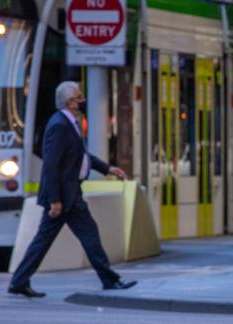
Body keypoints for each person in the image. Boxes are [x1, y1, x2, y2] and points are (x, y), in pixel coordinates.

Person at [8, 81, 137, 297]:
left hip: (69, 193)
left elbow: (80, 157)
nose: (83, 100)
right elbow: (51, 166)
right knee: (89, 236)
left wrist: (107, 168)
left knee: (45, 240)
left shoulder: (69, 123)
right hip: (65, 196)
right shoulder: (59, 125)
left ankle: (19, 281)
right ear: (71, 102)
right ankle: (109, 280)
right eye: (80, 97)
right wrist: (55, 200)